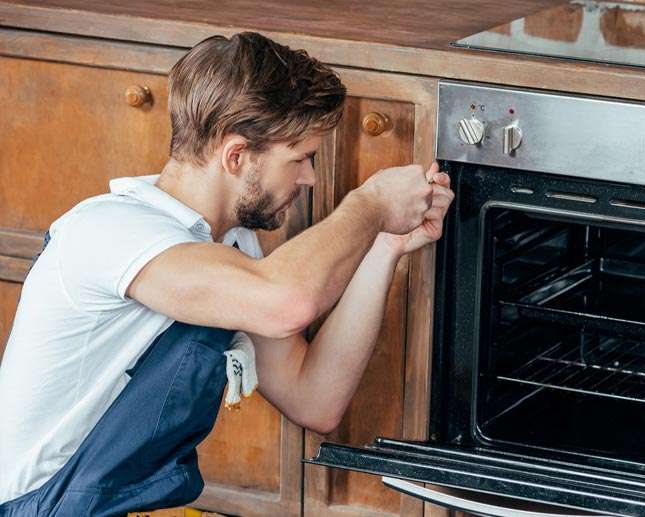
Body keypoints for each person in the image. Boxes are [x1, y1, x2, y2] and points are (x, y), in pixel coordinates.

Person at [0, 31, 454, 516]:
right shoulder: (113, 231)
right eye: (300, 159)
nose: (310, 179)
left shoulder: (227, 248)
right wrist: (370, 205)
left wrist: (386, 246)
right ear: (236, 155)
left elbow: (314, 399)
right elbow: (286, 302)